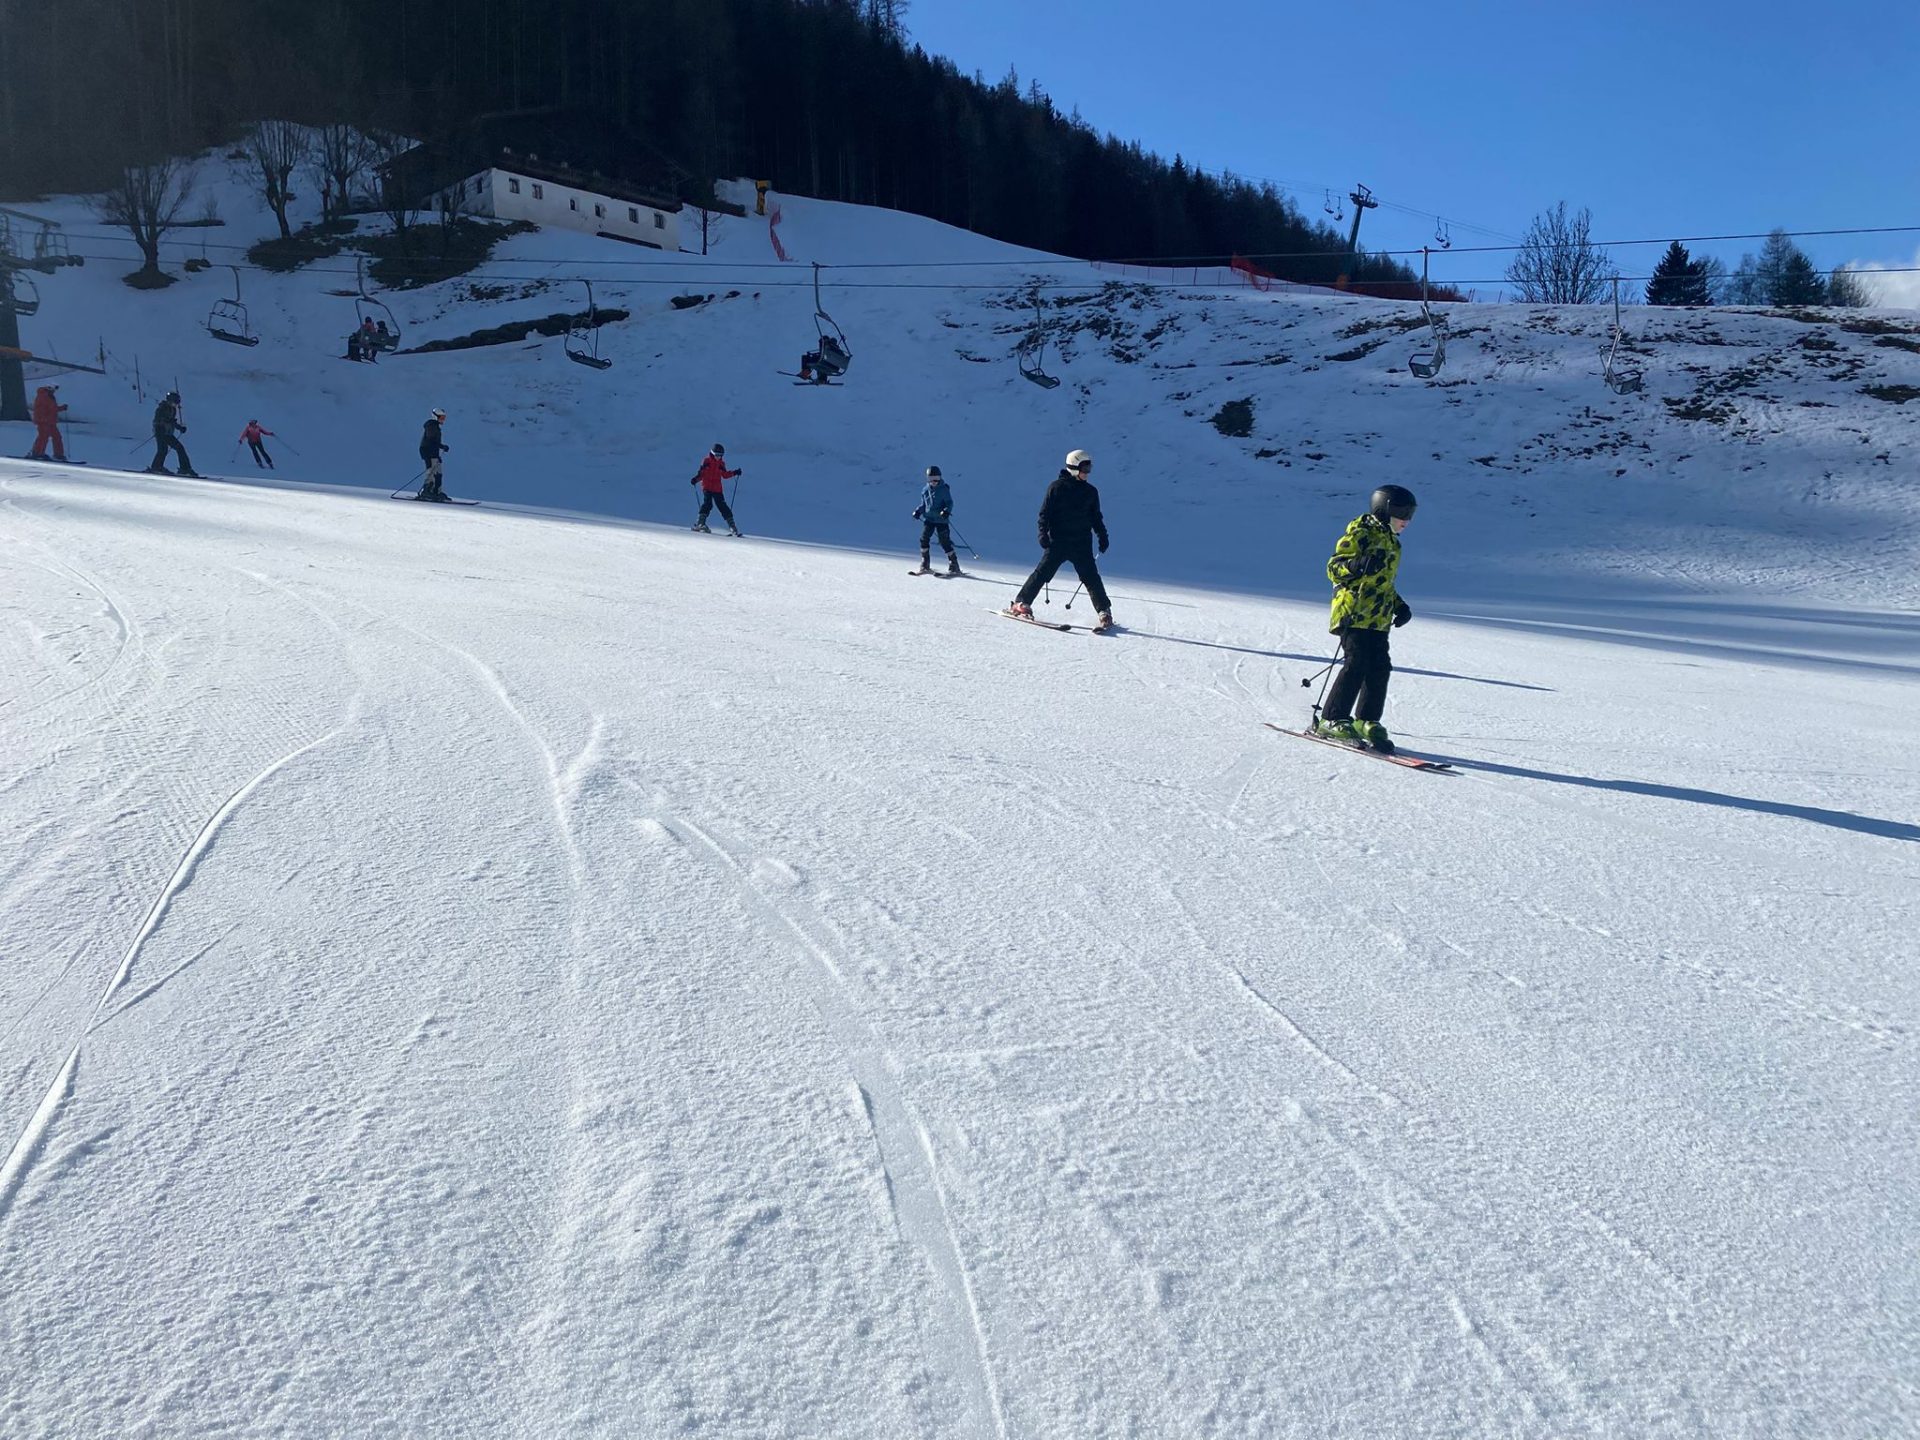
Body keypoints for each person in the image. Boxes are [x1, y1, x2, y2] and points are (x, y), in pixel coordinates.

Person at [1314, 485, 1417, 754]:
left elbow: (1383, 584)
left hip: (1378, 617)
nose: (1406, 519)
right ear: (1383, 510)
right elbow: (1333, 568)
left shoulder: (1393, 543)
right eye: (1401, 512)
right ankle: (1332, 718)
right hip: (1353, 611)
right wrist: (1357, 565)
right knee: (1356, 663)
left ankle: (1366, 721)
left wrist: (1399, 606)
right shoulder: (1360, 532)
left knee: (1380, 667)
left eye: (1410, 514)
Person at [1008, 448, 1112, 630]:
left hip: (1081, 543)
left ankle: (1104, 612)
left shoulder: (1091, 492)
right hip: (1058, 541)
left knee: (1091, 578)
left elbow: (1096, 517)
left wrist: (1102, 536)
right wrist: (1042, 533)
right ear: (1074, 467)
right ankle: (1021, 603)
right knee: (1042, 573)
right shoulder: (1056, 488)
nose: (1088, 472)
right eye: (1085, 468)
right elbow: (1044, 514)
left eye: (1089, 468)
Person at [910, 465, 960, 575]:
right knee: (924, 539)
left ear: (940, 478)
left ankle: (954, 564)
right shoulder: (925, 490)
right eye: (931, 479)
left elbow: (949, 503)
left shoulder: (944, 489)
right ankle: (925, 563)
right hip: (929, 519)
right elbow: (924, 504)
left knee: (944, 541)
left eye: (936, 479)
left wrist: (946, 511)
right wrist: (918, 511)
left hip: (941, 520)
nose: (933, 482)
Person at [689, 442, 742, 534]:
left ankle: (732, 527)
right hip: (707, 487)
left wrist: (734, 472)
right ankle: (700, 523)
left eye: (720, 455)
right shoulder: (706, 461)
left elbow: (724, 475)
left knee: (722, 506)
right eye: (717, 455)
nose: (718, 457)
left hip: (717, 488)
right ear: (712, 453)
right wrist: (695, 479)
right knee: (708, 504)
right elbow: (701, 474)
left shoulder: (721, 464)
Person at [146, 390, 198, 477]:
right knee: (163, 449)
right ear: (170, 400)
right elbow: (159, 419)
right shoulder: (162, 408)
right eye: (175, 402)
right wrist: (165, 423)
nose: (176, 405)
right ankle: (156, 467)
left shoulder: (173, 409)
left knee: (180, 448)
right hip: (160, 432)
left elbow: (172, 421)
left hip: (168, 433)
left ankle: (185, 468)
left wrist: (180, 428)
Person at [416, 407, 451, 501]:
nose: (443, 420)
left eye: (444, 418)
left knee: (438, 472)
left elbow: (434, 442)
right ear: (435, 416)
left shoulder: (435, 426)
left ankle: (436, 491)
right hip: (428, 451)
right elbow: (431, 441)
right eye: (441, 417)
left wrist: (438, 452)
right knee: (431, 471)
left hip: (433, 452)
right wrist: (442, 446)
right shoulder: (431, 426)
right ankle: (426, 491)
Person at [28, 384, 67, 460]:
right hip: (44, 421)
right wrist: (43, 419)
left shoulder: (50, 396)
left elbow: (52, 408)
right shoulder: (43, 396)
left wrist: (62, 408)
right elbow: (41, 410)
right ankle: (38, 453)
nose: (54, 391)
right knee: (43, 437)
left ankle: (58, 454)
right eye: (53, 389)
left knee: (57, 437)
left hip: (51, 421)